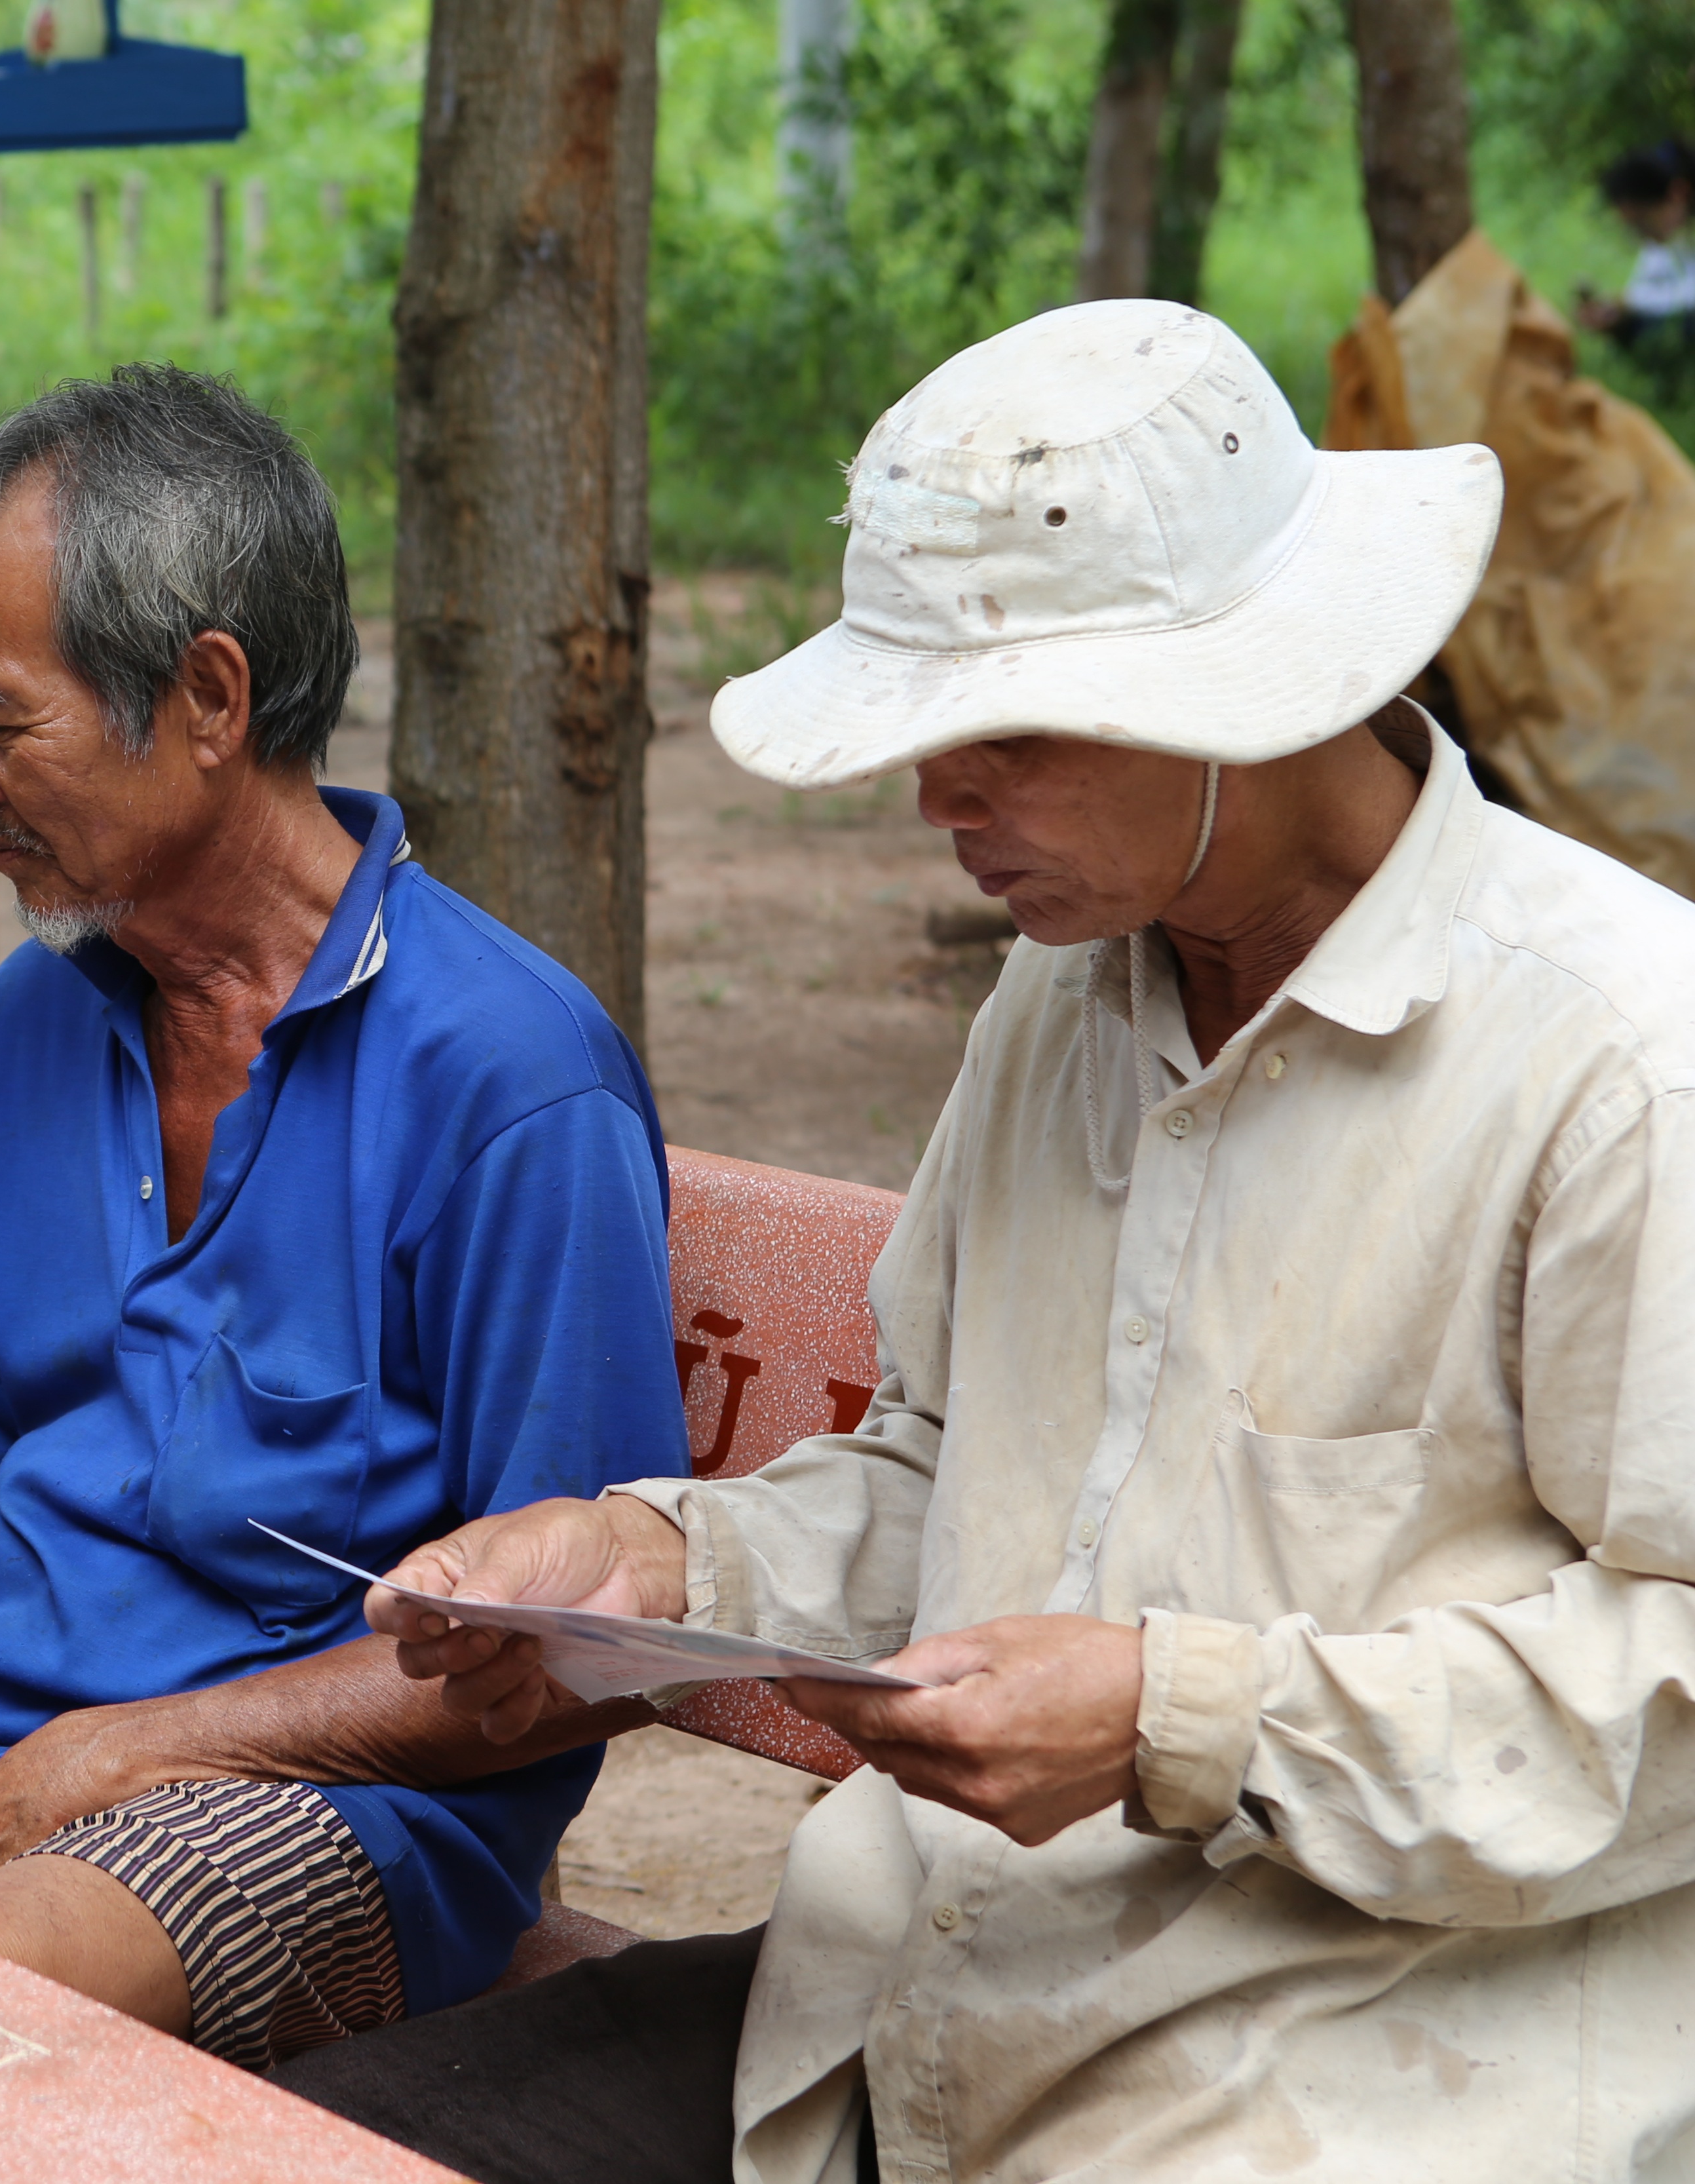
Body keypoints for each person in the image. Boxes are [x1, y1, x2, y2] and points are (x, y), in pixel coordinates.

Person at [289, 299, 1695, 2180]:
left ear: (1244, 697)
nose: (937, 798)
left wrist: (1182, 1718)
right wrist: (655, 1564)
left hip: (1344, 2067)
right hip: (912, 1997)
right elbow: (951, 1480)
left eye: (1003, 737)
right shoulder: (1064, 999)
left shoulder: (1617, 1059)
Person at [0, 364, 687, 2073]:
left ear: (208, 696)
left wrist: (116, 1756)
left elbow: (567, 1655)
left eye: (0, 720)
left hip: (317, 1794)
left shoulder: (510, 1080)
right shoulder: (35, 1021)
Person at [1574, 139, 1695, 395]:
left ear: (1677, 194)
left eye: (1643, 222)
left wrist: (1630, 302)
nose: (1642, 235)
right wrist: (1614, 313)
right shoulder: (1670, 231)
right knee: (1634, 327)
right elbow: (1650, 280)